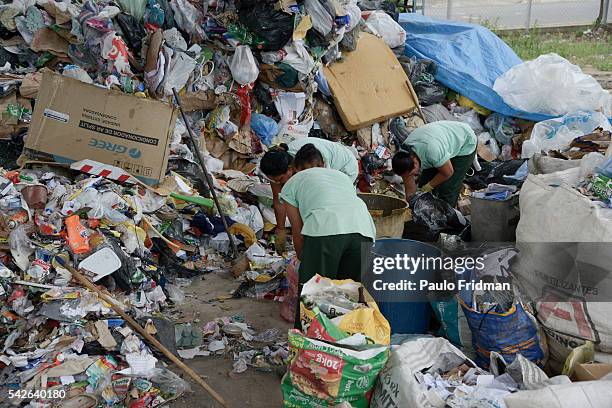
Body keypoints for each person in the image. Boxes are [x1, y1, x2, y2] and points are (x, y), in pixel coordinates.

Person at [279, 144, 376, 327]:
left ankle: (309, 346)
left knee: (313, 293)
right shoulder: (341, 176)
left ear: (295, 168)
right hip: (364, 230)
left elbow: (298, 232)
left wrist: (303, 261)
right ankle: (343, 343)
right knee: (348, 294)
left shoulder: (294, 182)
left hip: (325, 230)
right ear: (323, 164)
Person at [259, 137, 359, 254]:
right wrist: (280, 229)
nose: (279, 183)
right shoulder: (277, 166)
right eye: (275, 180)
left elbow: (321, 198)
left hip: (344, 167)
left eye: (280, 179)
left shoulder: (314, 162)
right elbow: (278, 200)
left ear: (291, 169)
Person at [392, 121, 477, 207]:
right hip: (439, 142)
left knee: (447, 189)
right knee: (423, 183)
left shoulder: (432, 151)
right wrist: (409, 204)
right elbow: (409, 185)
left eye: (413, 173)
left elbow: (448, 172)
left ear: (415, 162)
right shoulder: (404, 158)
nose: (413, 175)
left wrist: (430, 186)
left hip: (464, 141)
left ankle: (446, 216)